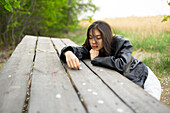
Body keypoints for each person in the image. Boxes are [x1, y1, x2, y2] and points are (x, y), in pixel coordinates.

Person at [60, 20, 161, 100]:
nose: (93, 42)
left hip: (143, 77)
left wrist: (96, 59)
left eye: (98, 38)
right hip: (125, 82)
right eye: (90, 38)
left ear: (106, 37)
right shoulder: (94, 48)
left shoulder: (121, 43)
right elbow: (79, 50)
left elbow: (122, 64)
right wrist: (68, 52)